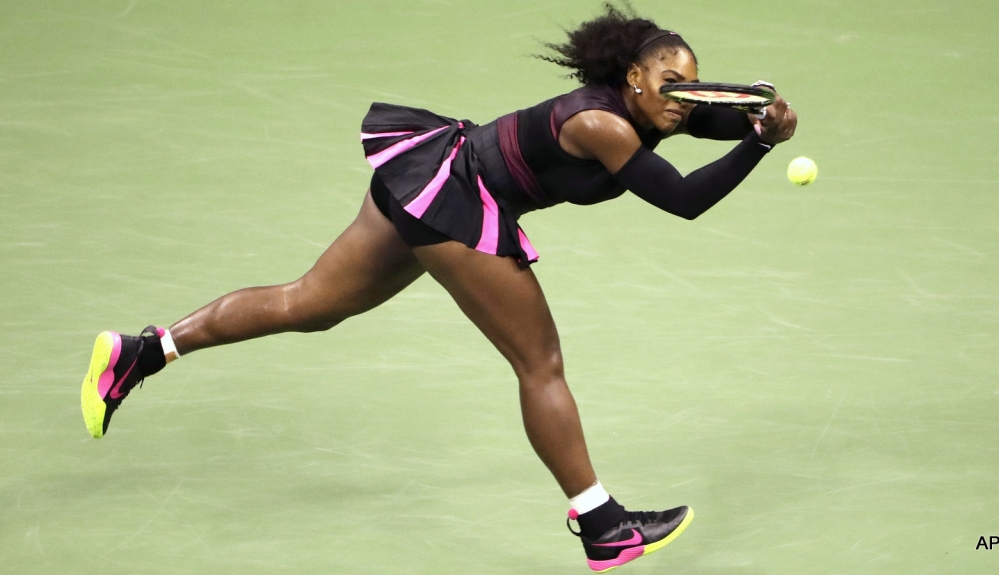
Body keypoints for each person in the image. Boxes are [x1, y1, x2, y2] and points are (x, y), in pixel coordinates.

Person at [79, 5, 796, 572]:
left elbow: (698, 114)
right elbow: (682, 200)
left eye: (692, 82)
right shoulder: (604, 123)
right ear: (633, 80)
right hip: (458, 202)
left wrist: (748, 110)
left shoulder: (647, 103)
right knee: (538, 363)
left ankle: (144, 351)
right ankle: (602, 523)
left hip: (428, 176)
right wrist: (759, 143)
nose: (682, 98)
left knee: (310, 303)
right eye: (670, 84)